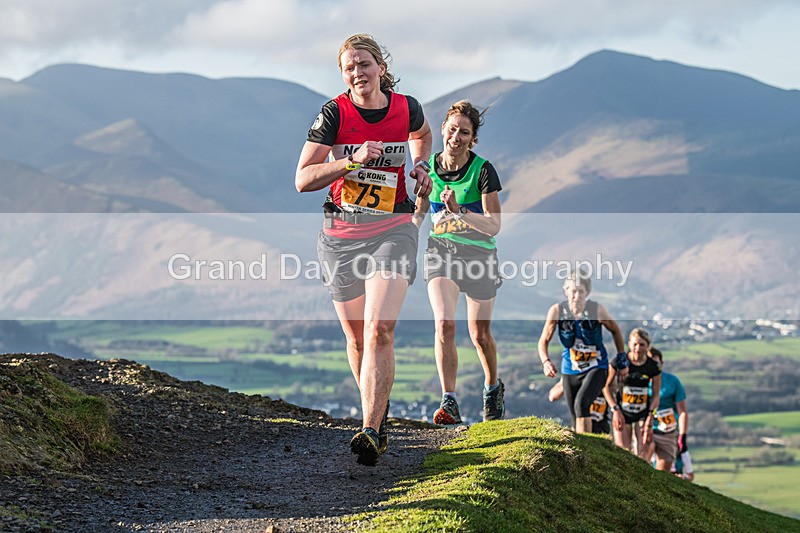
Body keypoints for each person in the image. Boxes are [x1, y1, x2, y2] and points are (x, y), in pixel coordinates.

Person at [295, 34, 432, 466]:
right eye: (349, 67)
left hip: (394, 227)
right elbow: (302, 179)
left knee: (378, 330)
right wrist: (351, 160)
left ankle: (371, 429)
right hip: (341, 232)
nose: (358, 73)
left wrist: (421, 165)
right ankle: (379, 414)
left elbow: (422, 135)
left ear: (381, 68)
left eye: (364, 64)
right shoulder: (334, 113)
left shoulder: (406, 107)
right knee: (356, 338)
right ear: (344, 75)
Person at [413, 100, 504, 425]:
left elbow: (494, 225)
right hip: (441, 254)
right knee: (444, 325)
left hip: (480, 256)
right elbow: (421, 209)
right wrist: (408, 234)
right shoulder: (430, 169)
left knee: (479, 335)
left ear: (472, 139)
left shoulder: (482, 170)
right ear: (443, 130)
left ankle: (492, 388)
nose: (456, 137)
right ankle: (449, 399)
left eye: (464, 132)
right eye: (452, 129)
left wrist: (460, 211)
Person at [537, 268, 628, 434]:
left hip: (596, 367)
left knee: (582, 404)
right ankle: (581, 448)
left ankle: (586, 450)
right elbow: (543, 340)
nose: (577, 296)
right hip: (570, 369)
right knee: (575, 413)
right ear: (566, 291)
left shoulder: (597, 310)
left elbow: (615, 330)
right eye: (573, 291)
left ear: (587, 292)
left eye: (581, 291)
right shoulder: (557, 311)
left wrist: (622, 357)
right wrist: (546, 362)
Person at [603, 328, 661, 458]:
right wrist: (615, 410)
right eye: (635, 344)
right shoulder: (619, 362)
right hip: (622, 412)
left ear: (648, 346)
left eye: (642, 345)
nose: (638, 348)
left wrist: (650, 417)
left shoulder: (653, 366)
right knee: (623, 454)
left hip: (643, 413)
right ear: (629, 344)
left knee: (642, 455)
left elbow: (656, 395)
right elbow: (605, 387)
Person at [644, 347, 689, 473]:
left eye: (656, 363)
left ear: (662, 364)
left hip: (667, 430)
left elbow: (682, 411)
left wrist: (682, 435)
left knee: (663, 473)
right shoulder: (641, 379)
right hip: (646, 428)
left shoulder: (673, 381)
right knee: (642, 463)